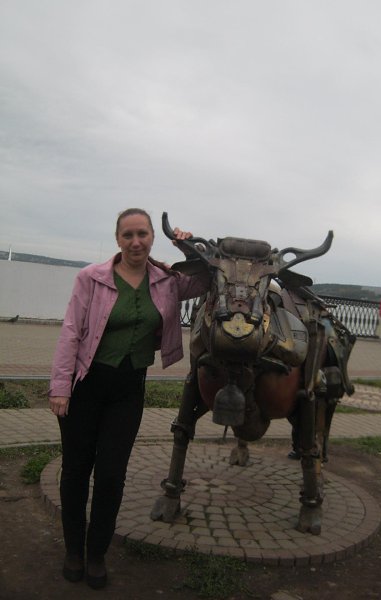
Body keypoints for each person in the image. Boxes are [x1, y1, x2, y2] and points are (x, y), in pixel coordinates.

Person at [48, 208, 209, 590]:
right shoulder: (91, 277)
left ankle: (97, 553)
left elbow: (205, 280)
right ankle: (74, 551)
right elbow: (71, 331)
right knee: (75, 471)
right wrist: (60, 387)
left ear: (152, 237)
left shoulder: (167, 281)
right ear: (118, 239)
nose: (136, 242)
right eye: (128, 235)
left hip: (128, 390)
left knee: (111, 475)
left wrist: (188, 248)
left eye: (142, 234)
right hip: (85, 385)